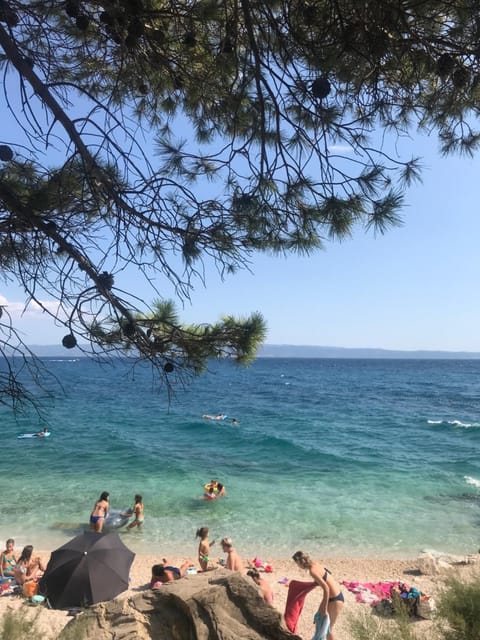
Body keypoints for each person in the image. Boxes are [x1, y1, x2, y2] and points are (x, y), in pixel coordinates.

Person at [292, 551, 344, 640]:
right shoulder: (316, 564)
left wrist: (323, 607)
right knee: (323, 624)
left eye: (297, 564)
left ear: (300, 562)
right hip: (337, 595)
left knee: (328, 629)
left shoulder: (312, 571)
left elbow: (326, 588)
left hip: (335, 600)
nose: (298, 566)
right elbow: (327, 575)